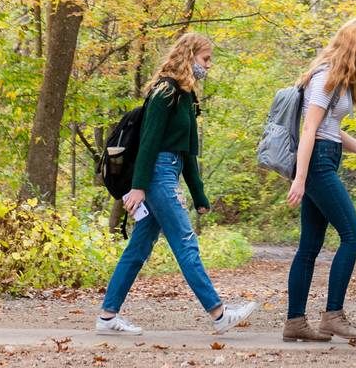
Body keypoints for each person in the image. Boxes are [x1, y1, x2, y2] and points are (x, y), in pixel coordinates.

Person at [96, 31, 258, 336]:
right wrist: (139, 186)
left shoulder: (187, 97)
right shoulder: (165, 91)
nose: (208, 66)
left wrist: (199, 196)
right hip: (156, 174)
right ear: (189, 55)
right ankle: (219, 313)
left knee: (138, 248)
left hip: (167, 172)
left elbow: (188, 153)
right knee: (185, 242)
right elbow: (148, 142)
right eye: (205, 59)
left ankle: (106, 317)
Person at [282, 18, 356, 343]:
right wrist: (300, 178)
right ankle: (333, 315)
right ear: (353, 44)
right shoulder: (324, 79)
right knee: (353, 236)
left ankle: (295, 322)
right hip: (317, 162)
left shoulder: (340, 80)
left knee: (309, 247)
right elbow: (309, 130)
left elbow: (332, 129)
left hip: (326, 156)